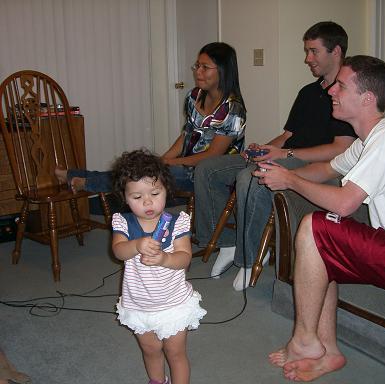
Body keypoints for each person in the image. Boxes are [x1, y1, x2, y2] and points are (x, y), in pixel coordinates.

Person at [257, 55, 385, 382]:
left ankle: (305, 340)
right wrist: (284, 172)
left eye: (341, 85)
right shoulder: (368, 141)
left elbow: (343, 204)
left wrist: (292, 181)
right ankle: (328, 350)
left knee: (316, 225)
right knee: (322, 246)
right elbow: (327, 169)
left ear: (367, 98)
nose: (331, 92)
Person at [194, 21, 356, 291]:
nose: (308, 59)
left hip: (317, 165)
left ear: (336, 51)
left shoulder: (346, 95)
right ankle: (226, 242)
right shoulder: (308, 93)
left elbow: (341, 148)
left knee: (251, 178)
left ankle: (250, 257)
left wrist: (284, 153)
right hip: (287, 153)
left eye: (314, 51)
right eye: (307, 51)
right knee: (208, 169)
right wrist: (263, 149)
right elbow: (287, 135)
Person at [55, 42, 246, 194]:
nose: (198, 71)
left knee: (140, 176)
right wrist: (162, 160)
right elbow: (187, 134)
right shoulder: (194, 96)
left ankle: (85, 182)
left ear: (223, 71)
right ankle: (77, 176)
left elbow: (213, 156)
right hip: (185, 167)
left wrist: (170, 163)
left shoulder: (233, 109)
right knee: (139, 167)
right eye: (197, 65)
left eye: (205, 67)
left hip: (208, 174)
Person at [111, 148, 206, 384]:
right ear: (124, 197)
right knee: (151, 351)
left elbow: (184, 257)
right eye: (137, 197)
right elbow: (118, 251)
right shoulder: (123, 222)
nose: (147, 202)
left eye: (155, 192)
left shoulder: (176, 222)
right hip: (139, 304)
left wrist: (165, 258)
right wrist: (136, 245)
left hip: (173, 303)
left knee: (175, 353)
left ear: (166, 189)